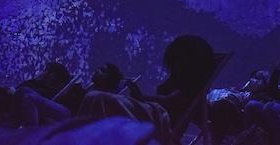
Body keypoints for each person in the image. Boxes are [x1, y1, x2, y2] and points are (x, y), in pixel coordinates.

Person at [80, 35, 216, 144]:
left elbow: (172, 101)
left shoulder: (192, 83)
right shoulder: (179, 78)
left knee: (97, 98)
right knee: (97, 99)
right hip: (152, 114)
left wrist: (142, 98)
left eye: (181, 56)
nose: (175, 60)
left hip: (159, 119)